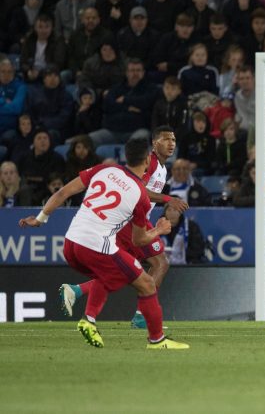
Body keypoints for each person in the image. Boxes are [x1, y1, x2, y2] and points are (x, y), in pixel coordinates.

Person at [19, 138, 187, 350]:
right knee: (146, 283)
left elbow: (63, 192)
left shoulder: (103, 169)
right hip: (97, 247)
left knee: (109, 274)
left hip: (71, 243)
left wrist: (40, 219)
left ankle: (88, 315)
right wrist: (159, 230)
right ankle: (157, 340)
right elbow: (139, 240)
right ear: (147, 160)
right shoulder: (140, 196)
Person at [62, 126, 189, 329]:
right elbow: (139, 191)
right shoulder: (151, 164)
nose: (171, 143)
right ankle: (141, 317)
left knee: (124, 271)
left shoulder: (162, 169)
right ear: (155, 144)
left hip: (134, 220)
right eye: (166, 139)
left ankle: (77, 291)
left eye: (173, 140)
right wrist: (168, 198)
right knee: (159, 264)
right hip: (130, 221)